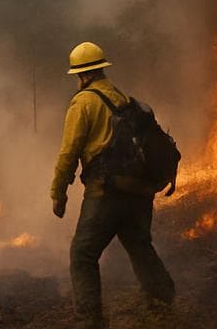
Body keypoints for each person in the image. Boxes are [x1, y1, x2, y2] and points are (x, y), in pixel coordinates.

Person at [50, 41, 174, 328]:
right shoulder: (122, 99)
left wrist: (58, 193)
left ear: (81, 75)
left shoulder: (83, 103)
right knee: (140, 245)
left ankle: (90, 321)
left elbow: (69, 153)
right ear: (101, 69)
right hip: (139, 192)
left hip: (106, 193)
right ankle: (163, 306)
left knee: (82, 254)